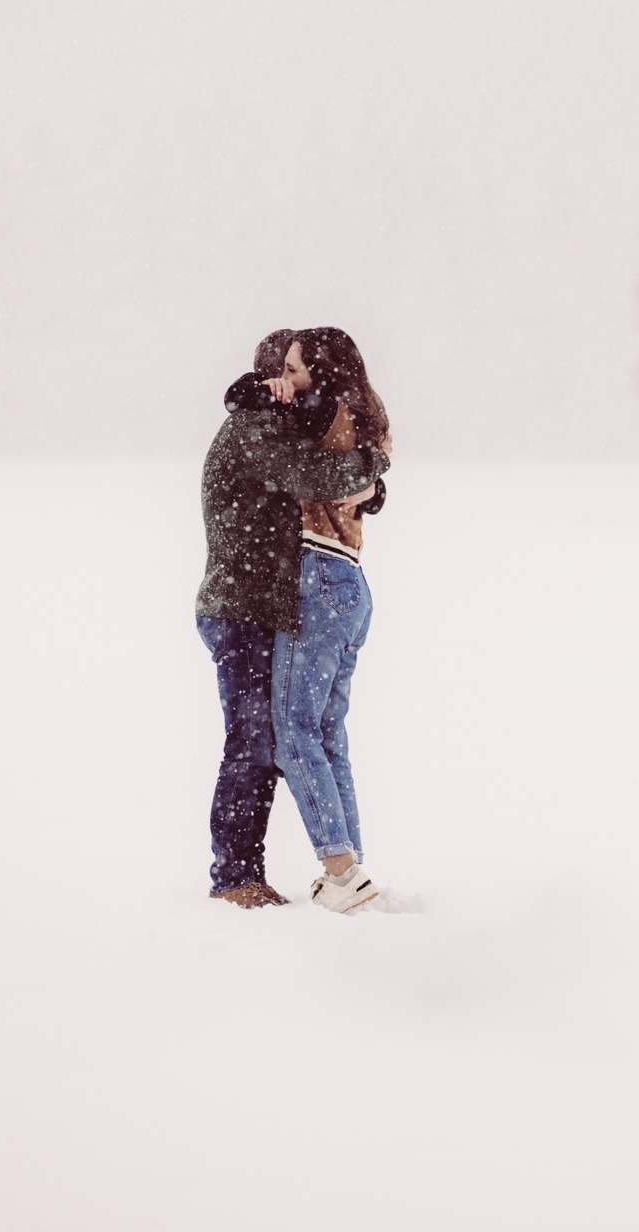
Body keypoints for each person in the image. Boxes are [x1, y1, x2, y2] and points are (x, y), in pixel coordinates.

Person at [196, 329, 390, 909]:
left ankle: (328, 868)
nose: (291, 382)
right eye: (280, 371)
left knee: (279, 738)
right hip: (241, 609)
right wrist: (374, 463)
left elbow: (329, 469)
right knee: (254, 743)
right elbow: (316, 477)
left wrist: (372, 485)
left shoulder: (280, 429)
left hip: (267, 606)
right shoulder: (255, 428)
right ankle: (235, 878)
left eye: (295, 370)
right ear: (265, 377)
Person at [266, 328, 391, 915]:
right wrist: (375, 486)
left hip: (317, 577)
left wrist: (265, 390)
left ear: (320, 371)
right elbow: (366, 470)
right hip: (348, 584)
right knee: (327, 733)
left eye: (293, 368)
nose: (284, 379)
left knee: (293, 730)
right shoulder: (360, 416)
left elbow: (265, 406)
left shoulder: (321, 412)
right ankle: (352, 869)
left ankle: (339, 872)